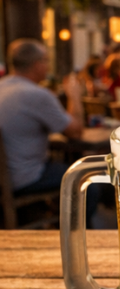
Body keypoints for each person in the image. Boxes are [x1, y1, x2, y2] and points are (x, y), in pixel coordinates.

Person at [0, 39, 84, 201]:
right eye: (46, 61)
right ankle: (74, 226)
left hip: (4, 178)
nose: (48, 66)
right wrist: (74, 96)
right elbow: (75, 132)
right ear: (37, 64)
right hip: (22, 178)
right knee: (84, 181)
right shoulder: (36, 94)